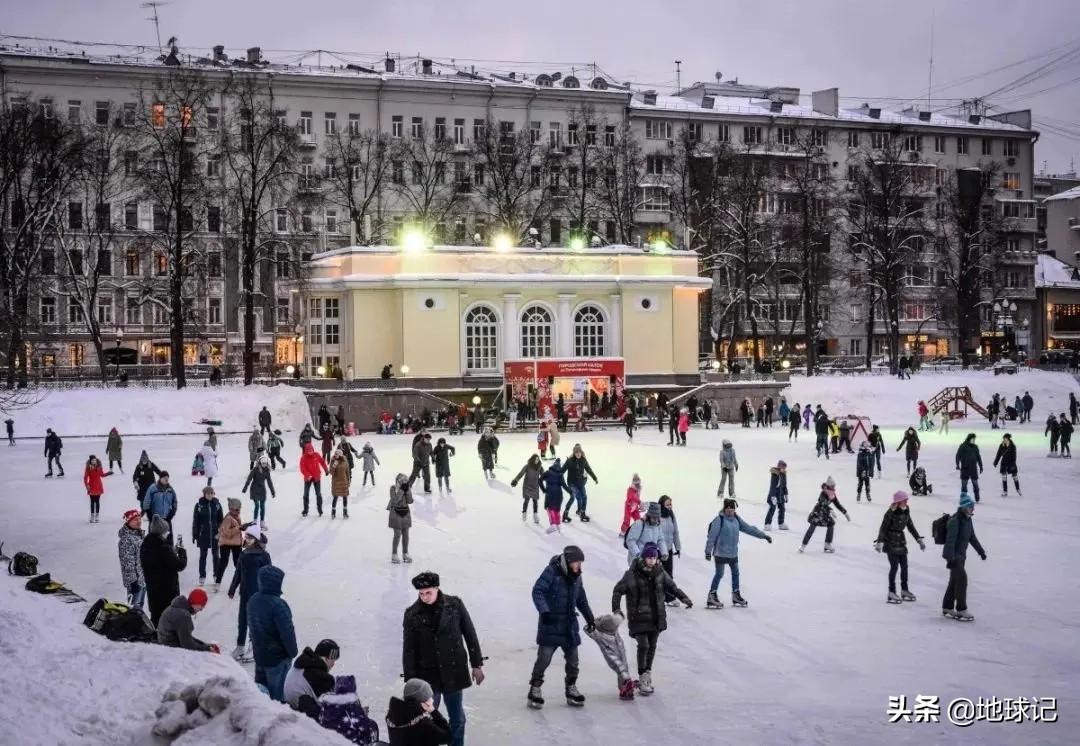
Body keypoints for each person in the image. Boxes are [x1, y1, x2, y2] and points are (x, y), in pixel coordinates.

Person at [402, 572, 485, 746]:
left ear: (437, 589)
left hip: (453, 672)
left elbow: (470, 634)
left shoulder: (455, 605)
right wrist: (411, 682)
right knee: (428, 720)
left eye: (428, 593)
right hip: (428, 677)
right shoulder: (411, 614)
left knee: (458, 719)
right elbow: (409, 650)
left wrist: (476, 664)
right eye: (421, 593)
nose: (424, 597)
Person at [611, 542, 691, 696]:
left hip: (656, 617)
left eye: (654, 557)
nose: (652, 560)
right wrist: (616, 609)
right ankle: (642, 676)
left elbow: (672, 587)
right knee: (644, 645)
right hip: (638, 617)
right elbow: (617, 590)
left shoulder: (660, 572)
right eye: (649, 557)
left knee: (652, 646)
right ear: (643, 558)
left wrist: (684, 598)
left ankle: (647, 674)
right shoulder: (632, 574)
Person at [527, 545, 595, 710]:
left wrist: (590, 618)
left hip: (569, 626)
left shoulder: (577, 577)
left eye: (580, 563)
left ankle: (571, 688)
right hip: (550, 624)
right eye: (577, 562)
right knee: (544, 659)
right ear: (569, 561)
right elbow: (538, 591)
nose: (579, 566)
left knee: (573, 661)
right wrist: (545, 611)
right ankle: (535, 689)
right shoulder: (552, 571)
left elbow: (581, 599)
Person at [705, 498, 771, 609]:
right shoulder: (719, 520)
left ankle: (736, 595)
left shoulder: (736, 519)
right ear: (724, 508)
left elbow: (749, 529)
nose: (730, 511)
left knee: (736, 573)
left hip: (733, 553)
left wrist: (763, 536)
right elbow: (712, 536)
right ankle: (712, 595)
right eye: (728, 509)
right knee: (719, 574)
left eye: (732, 509)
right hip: (720, 553)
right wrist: (708, 551)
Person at [248, 565, 298, 702]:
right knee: (278, 700)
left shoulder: (253, 600)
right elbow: (287, 633)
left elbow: (252, 628)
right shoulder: (278, 605)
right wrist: (292, 652)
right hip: (277, 660)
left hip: (260, 656)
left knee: (261, 698)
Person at [228, 525, 271, 661]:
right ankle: (240, 646)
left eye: (250, 538)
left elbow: (269, 575)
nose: (246, 539)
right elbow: (238, 572)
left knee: (254, 621)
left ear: (256, 539)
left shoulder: (264, 556)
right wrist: (232, 587)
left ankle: (254, 648)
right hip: (245, 593)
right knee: (242, 620)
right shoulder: (244, 553)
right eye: (246, 537)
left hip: (257, 594)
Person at [875, 490, 926, 604]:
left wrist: (919, 540)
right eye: (904, 499)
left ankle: (904, 590)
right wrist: (879, 542)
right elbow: (883, 527)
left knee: (905, 566)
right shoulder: (890, 512)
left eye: (906, 499)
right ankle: (891, 592)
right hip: (890, 541)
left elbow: (911, 526)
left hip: (901, 542)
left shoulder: (906, 510)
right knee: (894, 567)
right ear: (898, 501)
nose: (907, 501)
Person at [942, 493, 987, 621]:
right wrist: (950, 559)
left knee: (954, 582)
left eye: (973, 506)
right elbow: (950, 542)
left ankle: (947, 607)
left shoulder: (968, 520)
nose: (973, 509)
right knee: (962, 580)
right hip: (954, 557)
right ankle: (961, 610)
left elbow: (972, 537)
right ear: (964, 507)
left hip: (961, 556)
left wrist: (981, 551)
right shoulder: (955, 521)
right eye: (971, 506)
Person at [140, 516, 188, 627]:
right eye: (166, 531)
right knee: (167, 620)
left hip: (153, 589)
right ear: (161, 532)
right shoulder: (163, 547)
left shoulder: (146, 544)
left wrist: (171, 552)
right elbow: (180, 565)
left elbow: (161, 561)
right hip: (166, 590)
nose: (168, 533)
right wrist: (182, 551)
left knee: (156, 617)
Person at [386, 678, 452, 746]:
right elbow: (449, 737)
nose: (432, 700)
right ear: (422, 701)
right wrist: (433, 711)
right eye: (429, 697)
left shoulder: (392, 715)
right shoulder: (424, 724)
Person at [284, 638, 339, 718]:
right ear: (326, 658)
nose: (333, 664)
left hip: (290, 703)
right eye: (333, 660)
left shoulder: (305, 662)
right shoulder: (320, 676)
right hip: (302, 710)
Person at [799, 477, 850, 553]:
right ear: (829, 485)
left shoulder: (832, 494)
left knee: (831, 524)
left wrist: (845, 513)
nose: (834, 487)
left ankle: (827, 544)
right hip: (818, 512)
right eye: (832, 486)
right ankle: (803, 545)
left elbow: (837, 504)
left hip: (825, 513)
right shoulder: (823, 493)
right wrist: (831, 510)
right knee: (812, 527)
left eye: (834, 486)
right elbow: (823, 503)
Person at [158, 588, 218, 652]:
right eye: (202, 605)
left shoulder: (178, 607)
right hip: (169, 648)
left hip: (165, 642)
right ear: (196, 603)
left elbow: (186, 637)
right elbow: (188, 645)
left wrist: (204, 645)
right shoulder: (183, 615)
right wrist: (208, 649)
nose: (202, 609)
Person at [191, 486, 223, 586]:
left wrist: (220, 532)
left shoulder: (217, 505)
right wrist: (195, 534)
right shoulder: (199, 505)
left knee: (216, 556)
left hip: (215, 535)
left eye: (212, 493)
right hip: (203, 534)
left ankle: (216, 575)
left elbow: (221, 520)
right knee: (203, 556)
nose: (210, 495)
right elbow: (195, 521)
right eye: (208, 493)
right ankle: (202, 576)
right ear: (204, 494)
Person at [560, 444, 598, 523]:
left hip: (580, 483)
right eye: (576, 452)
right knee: (573, 497)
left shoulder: (583, 460)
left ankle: (582, 513)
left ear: (581, 452)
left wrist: (595, 478)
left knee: (584, 497)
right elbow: (562, 471)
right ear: (574, 453)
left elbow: (589, 470)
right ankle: (565, 514)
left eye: (579, 452)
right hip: (571, 483)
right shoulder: (569, 461)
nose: (578, 453)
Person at [118, 508, 146, 609]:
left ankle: (137, 624)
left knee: (139, 607)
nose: (139, 521)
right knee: (134, 608)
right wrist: (133, 581)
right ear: (128, 522)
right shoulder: (126, 539)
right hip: (135, 581)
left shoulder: (138, 536)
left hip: (142, 579)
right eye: (135, 519)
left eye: (139, 519)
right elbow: (127, 562)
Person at [625, 501, 668, 566]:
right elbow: (631, 540)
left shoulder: (657, 526)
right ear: (649, 516)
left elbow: (660, 540)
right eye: (654, 518)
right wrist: (637, 554)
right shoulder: (639, 524)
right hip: (637, 560)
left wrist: (664, 552)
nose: (656, 520)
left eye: (657, 518)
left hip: (651, 560)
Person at [657, 496, 682, 605]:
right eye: (667, 505)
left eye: (670, 504)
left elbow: (675, 531)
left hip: (669, 549)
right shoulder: (656, 516)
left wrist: (678, 547)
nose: (669, 507)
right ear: (662, 505)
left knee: (669, 575)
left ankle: (669, 598)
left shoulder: (671, 515)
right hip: (657, 551)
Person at [215, 498, 246, 586]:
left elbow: (237, 530)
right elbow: (227, 532)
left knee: (238, 563)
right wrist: (239, 528)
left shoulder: (237, 516)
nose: (238, 511)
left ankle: (242, 581)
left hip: (236, 544)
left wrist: (242, 529)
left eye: (239, 508)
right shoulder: (228, 518)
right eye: (236, 509)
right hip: (225, 543)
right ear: (231, 509)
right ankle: (218, 581)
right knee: (224, 562)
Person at [242, 454, 277, 530]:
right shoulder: (255, 469)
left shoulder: (267, 470)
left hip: (262, 490)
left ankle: (262, 521)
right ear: (260, 463)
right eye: (263, 463)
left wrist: (272, 491)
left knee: (262, 506)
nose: (264, 465)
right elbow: (249, 479)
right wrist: (245, 488)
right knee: (257, 505)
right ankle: (255, 520)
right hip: (254, 489)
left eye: (265, 463)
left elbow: (269, 482)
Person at [540, 458, 572, 534]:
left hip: (550, 494)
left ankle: (553, 525)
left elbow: (539, 480)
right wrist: (570, 492)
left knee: (550, 509)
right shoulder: (560, 475)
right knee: (557, 510)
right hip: (559, 494)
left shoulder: (547, 473)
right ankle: (558, 525)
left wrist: (544, 490)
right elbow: (564, 485)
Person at [388, 473, 414, 563]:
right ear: (398, 482)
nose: (404, 483)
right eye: (402, 481)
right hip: (395, 513)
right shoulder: (393, 489)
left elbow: (410, 501)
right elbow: (395, 501)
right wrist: (402, 490)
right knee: (397, 534)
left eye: (405, 482)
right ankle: (394, 554)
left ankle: (405, 553)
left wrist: (407, 490)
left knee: (406, 535)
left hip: (405, 513)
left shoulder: (406, 488)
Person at [299, 442, 329, 517]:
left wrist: (326, 470)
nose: (310, 452)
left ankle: (320, 509)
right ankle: (305, 510)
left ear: (313, 449)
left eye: (311, 450)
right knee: (306, 494)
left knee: (318, 494)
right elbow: (302, 468)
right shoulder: (304, 457)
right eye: (309, 451)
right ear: (306, 451)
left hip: (316, 477)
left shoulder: (316, 455)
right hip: (308, 478)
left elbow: (322, 462)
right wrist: (307, 475)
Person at [512, 454, 544, 524]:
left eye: (538, 459)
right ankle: (524, 513)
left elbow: (543, 475)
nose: (537, 461)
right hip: (527, 486)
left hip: (535, 486)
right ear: (533, 459)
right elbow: (520, 474)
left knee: (535, 501)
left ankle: (535, 516)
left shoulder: (540, 467)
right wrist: (515, 480)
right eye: (536, 459)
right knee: (526, 500)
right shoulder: (527, 466)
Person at [82, 455, 113, 523]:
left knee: (97, 501)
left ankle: (97, 516)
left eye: (95, 460)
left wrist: (108, 473)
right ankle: (92, 515)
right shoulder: (88, 468)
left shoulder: (99, 467)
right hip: (91, 486)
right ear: (90, 461)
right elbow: (85, 478)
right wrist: (87, 485)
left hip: (98, 485)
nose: (94, 461)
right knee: (92, 502)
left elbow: (102, 475)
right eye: (93, 460)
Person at [955, 433, 984, 502]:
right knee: (964, 485)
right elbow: (958, 456)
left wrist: (981, 466)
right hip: (965, 468)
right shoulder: (963, 446)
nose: (974, 440)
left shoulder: (975, 447)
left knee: (975, 484)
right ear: (969, 439)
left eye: (974, 439)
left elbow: (978, 457)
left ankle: (977, 497)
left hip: (973, 468)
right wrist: (957, 464)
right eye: (973, 439)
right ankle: (964, 498)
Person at [763, 459, 789, 531]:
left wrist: (786, 494)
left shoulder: (783, 474)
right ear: (779, 467)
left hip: (781, 494)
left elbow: (784, 485)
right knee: (772, 508)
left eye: (785, 468)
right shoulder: (775, 474)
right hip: (774, 494)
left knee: (782, 508)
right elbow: (773, 486)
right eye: (783, 467)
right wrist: (773, 496)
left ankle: (781, 523)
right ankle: (767, 524)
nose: (784, 469)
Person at [328, 449, 351, 519]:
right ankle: (333, 512)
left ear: (341, 455)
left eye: (338, 454)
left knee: (345, 497)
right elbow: (331, 472)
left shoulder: (345, 461)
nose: (337, 455)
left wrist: (348, 481)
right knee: (335, 497)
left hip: (344, 482)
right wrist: (334, 465)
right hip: (336, 482)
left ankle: (345, 512)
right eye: (336, 454)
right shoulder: (333, 461)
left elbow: (347, 472)